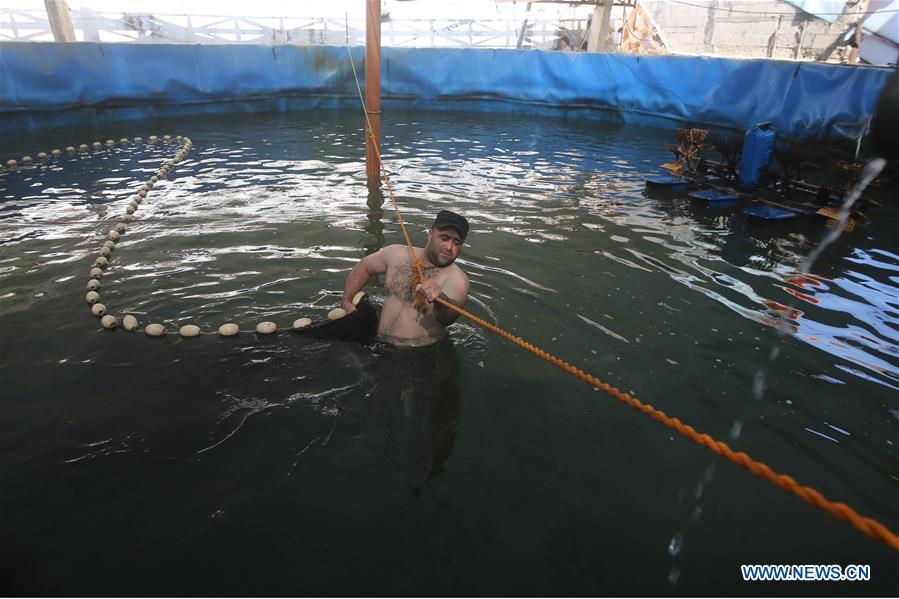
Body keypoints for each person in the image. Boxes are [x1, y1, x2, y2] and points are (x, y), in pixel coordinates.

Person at [341, 210, 470, 347]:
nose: (449, 247)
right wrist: (346, 300)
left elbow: (447, 318)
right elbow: (365, 266)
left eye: (457, 243)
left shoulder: (458, 279)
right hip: (377, 342)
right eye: (444, 238)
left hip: (417, 353)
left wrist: (442, 299)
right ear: (430, 234)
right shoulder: (397, 254)